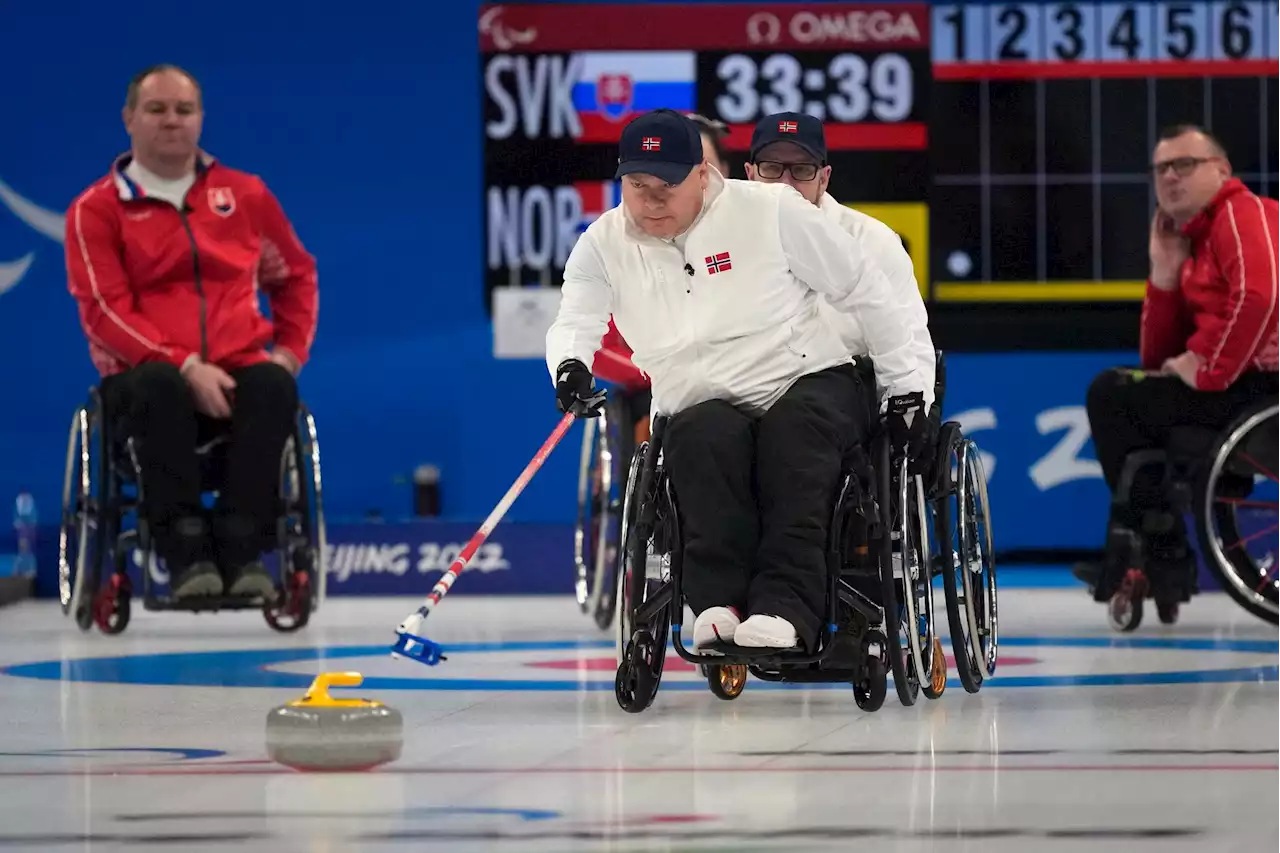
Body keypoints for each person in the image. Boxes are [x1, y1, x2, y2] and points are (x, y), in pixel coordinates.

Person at [546, 109, 932, 653]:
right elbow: (577, 319)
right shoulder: (601, 243)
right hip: (700, 397)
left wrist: (905, 387)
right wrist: (569, 365)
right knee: (699, 436)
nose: (652, 200)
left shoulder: (771, 211)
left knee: (796, 435)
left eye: (667, 186)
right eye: (638, 186)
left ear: (704, 174)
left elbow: (865, 290)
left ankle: (784, 605)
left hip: (802, 376)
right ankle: (716, 604)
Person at [64, 64, 319, 600]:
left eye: (183, 110)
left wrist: (289, 353)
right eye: (156, 109)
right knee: (159, 385)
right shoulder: (96, 210)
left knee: (275, 387)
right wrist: (184, 365)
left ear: (201, 119)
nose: (171, 121)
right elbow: (104, 311)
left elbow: (294, 275)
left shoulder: (244, 194)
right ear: (129, 118)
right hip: (143, 377)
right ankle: (182, 554)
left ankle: (245, 549)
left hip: (237, 365)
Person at [1074, 125, 1280, 601]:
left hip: (1262, 388)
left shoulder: (1239, 212)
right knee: (1127, 395)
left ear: (1222, 170)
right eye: (1161, 169)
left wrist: (1210, 373)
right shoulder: (1194, 244)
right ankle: (1155, 549)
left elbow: (1263, 298)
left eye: (1184, 164)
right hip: (1237, 388)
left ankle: (1162, 551)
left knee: (1113, 394)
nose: (1169, 177)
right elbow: (1159, 361)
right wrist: (1164, 274)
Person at [744, 111, 936, 425]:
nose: (785, 184)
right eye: (772, 169)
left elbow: (912, 345)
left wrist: (910, 421)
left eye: (802, 170)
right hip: (747, 400)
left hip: (840, 410)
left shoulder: (873, 243)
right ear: (751, 175)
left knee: (799, 422)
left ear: (824, 178)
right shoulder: (723, 243)